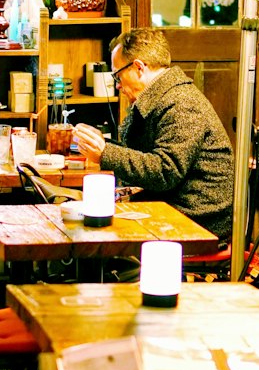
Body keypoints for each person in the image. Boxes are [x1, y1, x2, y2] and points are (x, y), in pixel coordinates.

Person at [72, 26, 234, 240]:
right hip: (174, 207)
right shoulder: (161, 97)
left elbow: (166, 171)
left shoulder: (181, 103)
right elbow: (146, 156)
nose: (118, 85)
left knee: (92, 231)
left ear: (138, 67)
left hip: (197, 219)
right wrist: (103, 146)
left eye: (118, 75)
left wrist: (106, 153)